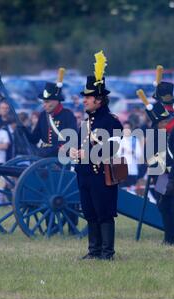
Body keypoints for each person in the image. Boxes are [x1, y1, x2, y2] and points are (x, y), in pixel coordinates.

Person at [70, 55, 123, 260]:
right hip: (84, 174)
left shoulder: (112, 122)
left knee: (104, 213)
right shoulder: (86, 122)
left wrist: (90, 154)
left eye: (88, 97)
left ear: (98, 100)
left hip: (102, 175)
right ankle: (94, 251)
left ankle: (107, 253)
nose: (84, 100)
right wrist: (74, 152)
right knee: (90, 213)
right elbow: (79, 144)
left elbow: (113, 148)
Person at [147, 100, 174, 245]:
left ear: (163, 121)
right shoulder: (167, 131)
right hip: (162, 175)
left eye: (157, 124)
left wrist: (172, 179)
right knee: (163, 206)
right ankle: (168, 237)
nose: (157, 127)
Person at [23, 81, 77, 158]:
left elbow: (72, 138)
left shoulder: (67, 115)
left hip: (60, 156)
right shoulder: (43, 115)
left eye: (47, 102)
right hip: (44, 154)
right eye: (44, 102)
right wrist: (24, 130)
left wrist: (60, 148)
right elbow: (35, 139)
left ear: (56, 101)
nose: (44, 105)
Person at [117, 121, 143, 187]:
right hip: (121, 171)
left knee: (131, 191)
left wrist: (133, 152)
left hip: (132, 171)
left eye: (128, 128)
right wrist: (121, 150)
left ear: (131, 129)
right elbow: (116, 155)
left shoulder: (135, 140)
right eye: (124, 128)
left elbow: (139, 154)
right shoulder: (119, 140)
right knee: (122, 190)